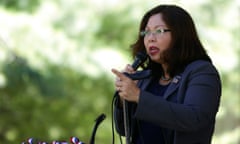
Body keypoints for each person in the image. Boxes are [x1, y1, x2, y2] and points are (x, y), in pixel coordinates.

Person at [111, 4, 222, 144]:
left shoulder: (202, 72)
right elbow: (123, 130)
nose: (150, 38)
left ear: (180, 35)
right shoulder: (147, 77)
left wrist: (138, 96)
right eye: (146, 32)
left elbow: (194, 118)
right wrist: (124, 98)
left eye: (159, 31)